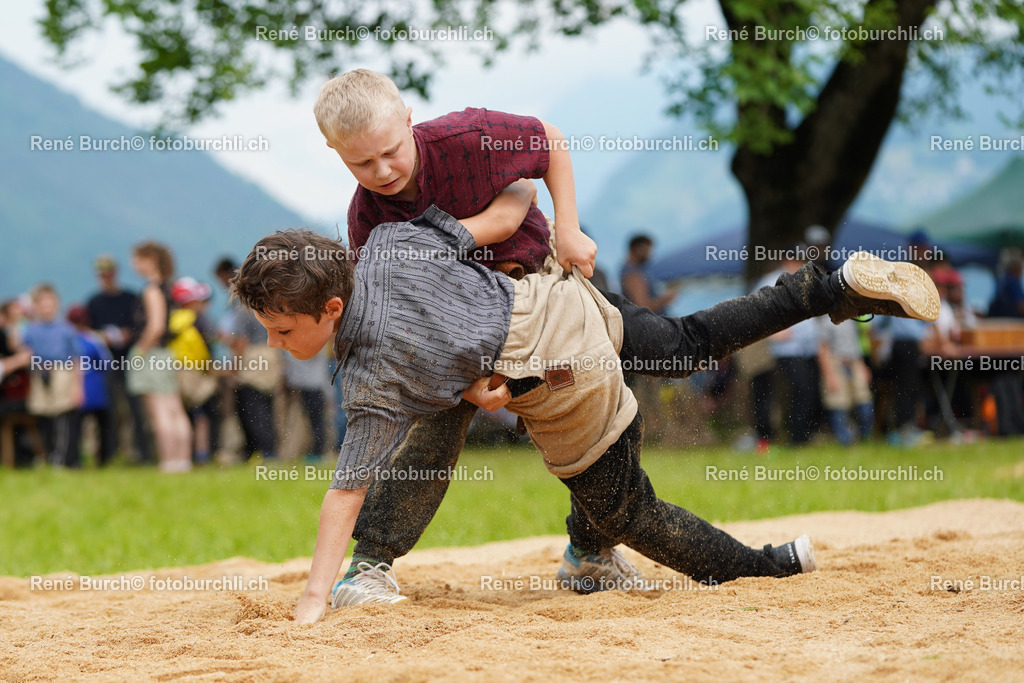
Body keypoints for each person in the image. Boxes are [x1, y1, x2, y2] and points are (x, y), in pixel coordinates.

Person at [230, 198, 940, 624]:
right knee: (687, 340)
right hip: (564, 296)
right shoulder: (387, 244)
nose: (274, 341)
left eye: (283, 329)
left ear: (329, 307)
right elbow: (509, 209)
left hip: (557, 365)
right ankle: (827, 285)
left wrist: (313, 599)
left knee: (629, 507)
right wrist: (560, 233)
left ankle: (761, 567)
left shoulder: (371, 378)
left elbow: (345, 490)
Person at [127, 242, 192, 473]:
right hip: (168, 354)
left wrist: (138, 351)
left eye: (136, 258)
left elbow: (155, 327)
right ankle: (183, 460)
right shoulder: (169, 288)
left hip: (154, 355)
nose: (133, 264)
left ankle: (169, 461)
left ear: (150, 258)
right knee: (175, 408)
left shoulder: (151, 290)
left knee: (160, 409)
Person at [86, 255, 153, 464]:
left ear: (115, 273)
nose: (106, 277)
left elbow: (142, 325)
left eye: (109, 272)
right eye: (102, 273)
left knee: (138, 410)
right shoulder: (94, 301)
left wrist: (129, 335)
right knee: (108, 411)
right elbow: (88, 331)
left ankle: (144, 455)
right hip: (105, 364)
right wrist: (101, 336)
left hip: (131, 360)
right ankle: (108, 456)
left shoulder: (130, 298)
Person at [22, 284, 83, 467]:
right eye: (42, 303)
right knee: (43, 418)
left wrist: (77, 386)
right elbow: (24, 353)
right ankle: (46, 456)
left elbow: (76, 359)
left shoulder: (66, 329)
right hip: (39, 373)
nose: (46, 307)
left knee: (62, 419)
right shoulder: (30, 330)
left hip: (62, 372)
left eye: (50, 302)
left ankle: (62, 459)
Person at [66, 305, 116, 466]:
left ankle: (75, 461)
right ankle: (103, 460)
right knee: (102, 428)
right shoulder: (93, 338)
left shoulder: (68, 338)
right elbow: (107, 363)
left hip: (76, 390)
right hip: (95, 390)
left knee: (75, 428)